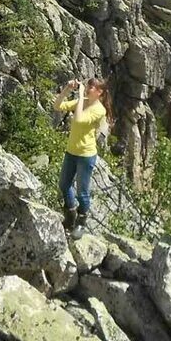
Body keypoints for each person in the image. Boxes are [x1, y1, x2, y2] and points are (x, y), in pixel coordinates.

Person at [51, 77, 112, 237]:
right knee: (64, 184)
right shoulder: (82, 100)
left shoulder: (99, 110)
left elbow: (79, 119)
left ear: (100, 92)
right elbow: (57, 106)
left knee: (82, 192)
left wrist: (79, 94)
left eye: (92, 87)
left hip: (85, 155)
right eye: (88, 85)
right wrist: (67, 89)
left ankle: (81, 223)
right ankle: (70, 217)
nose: (88, 88)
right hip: (71, 151)